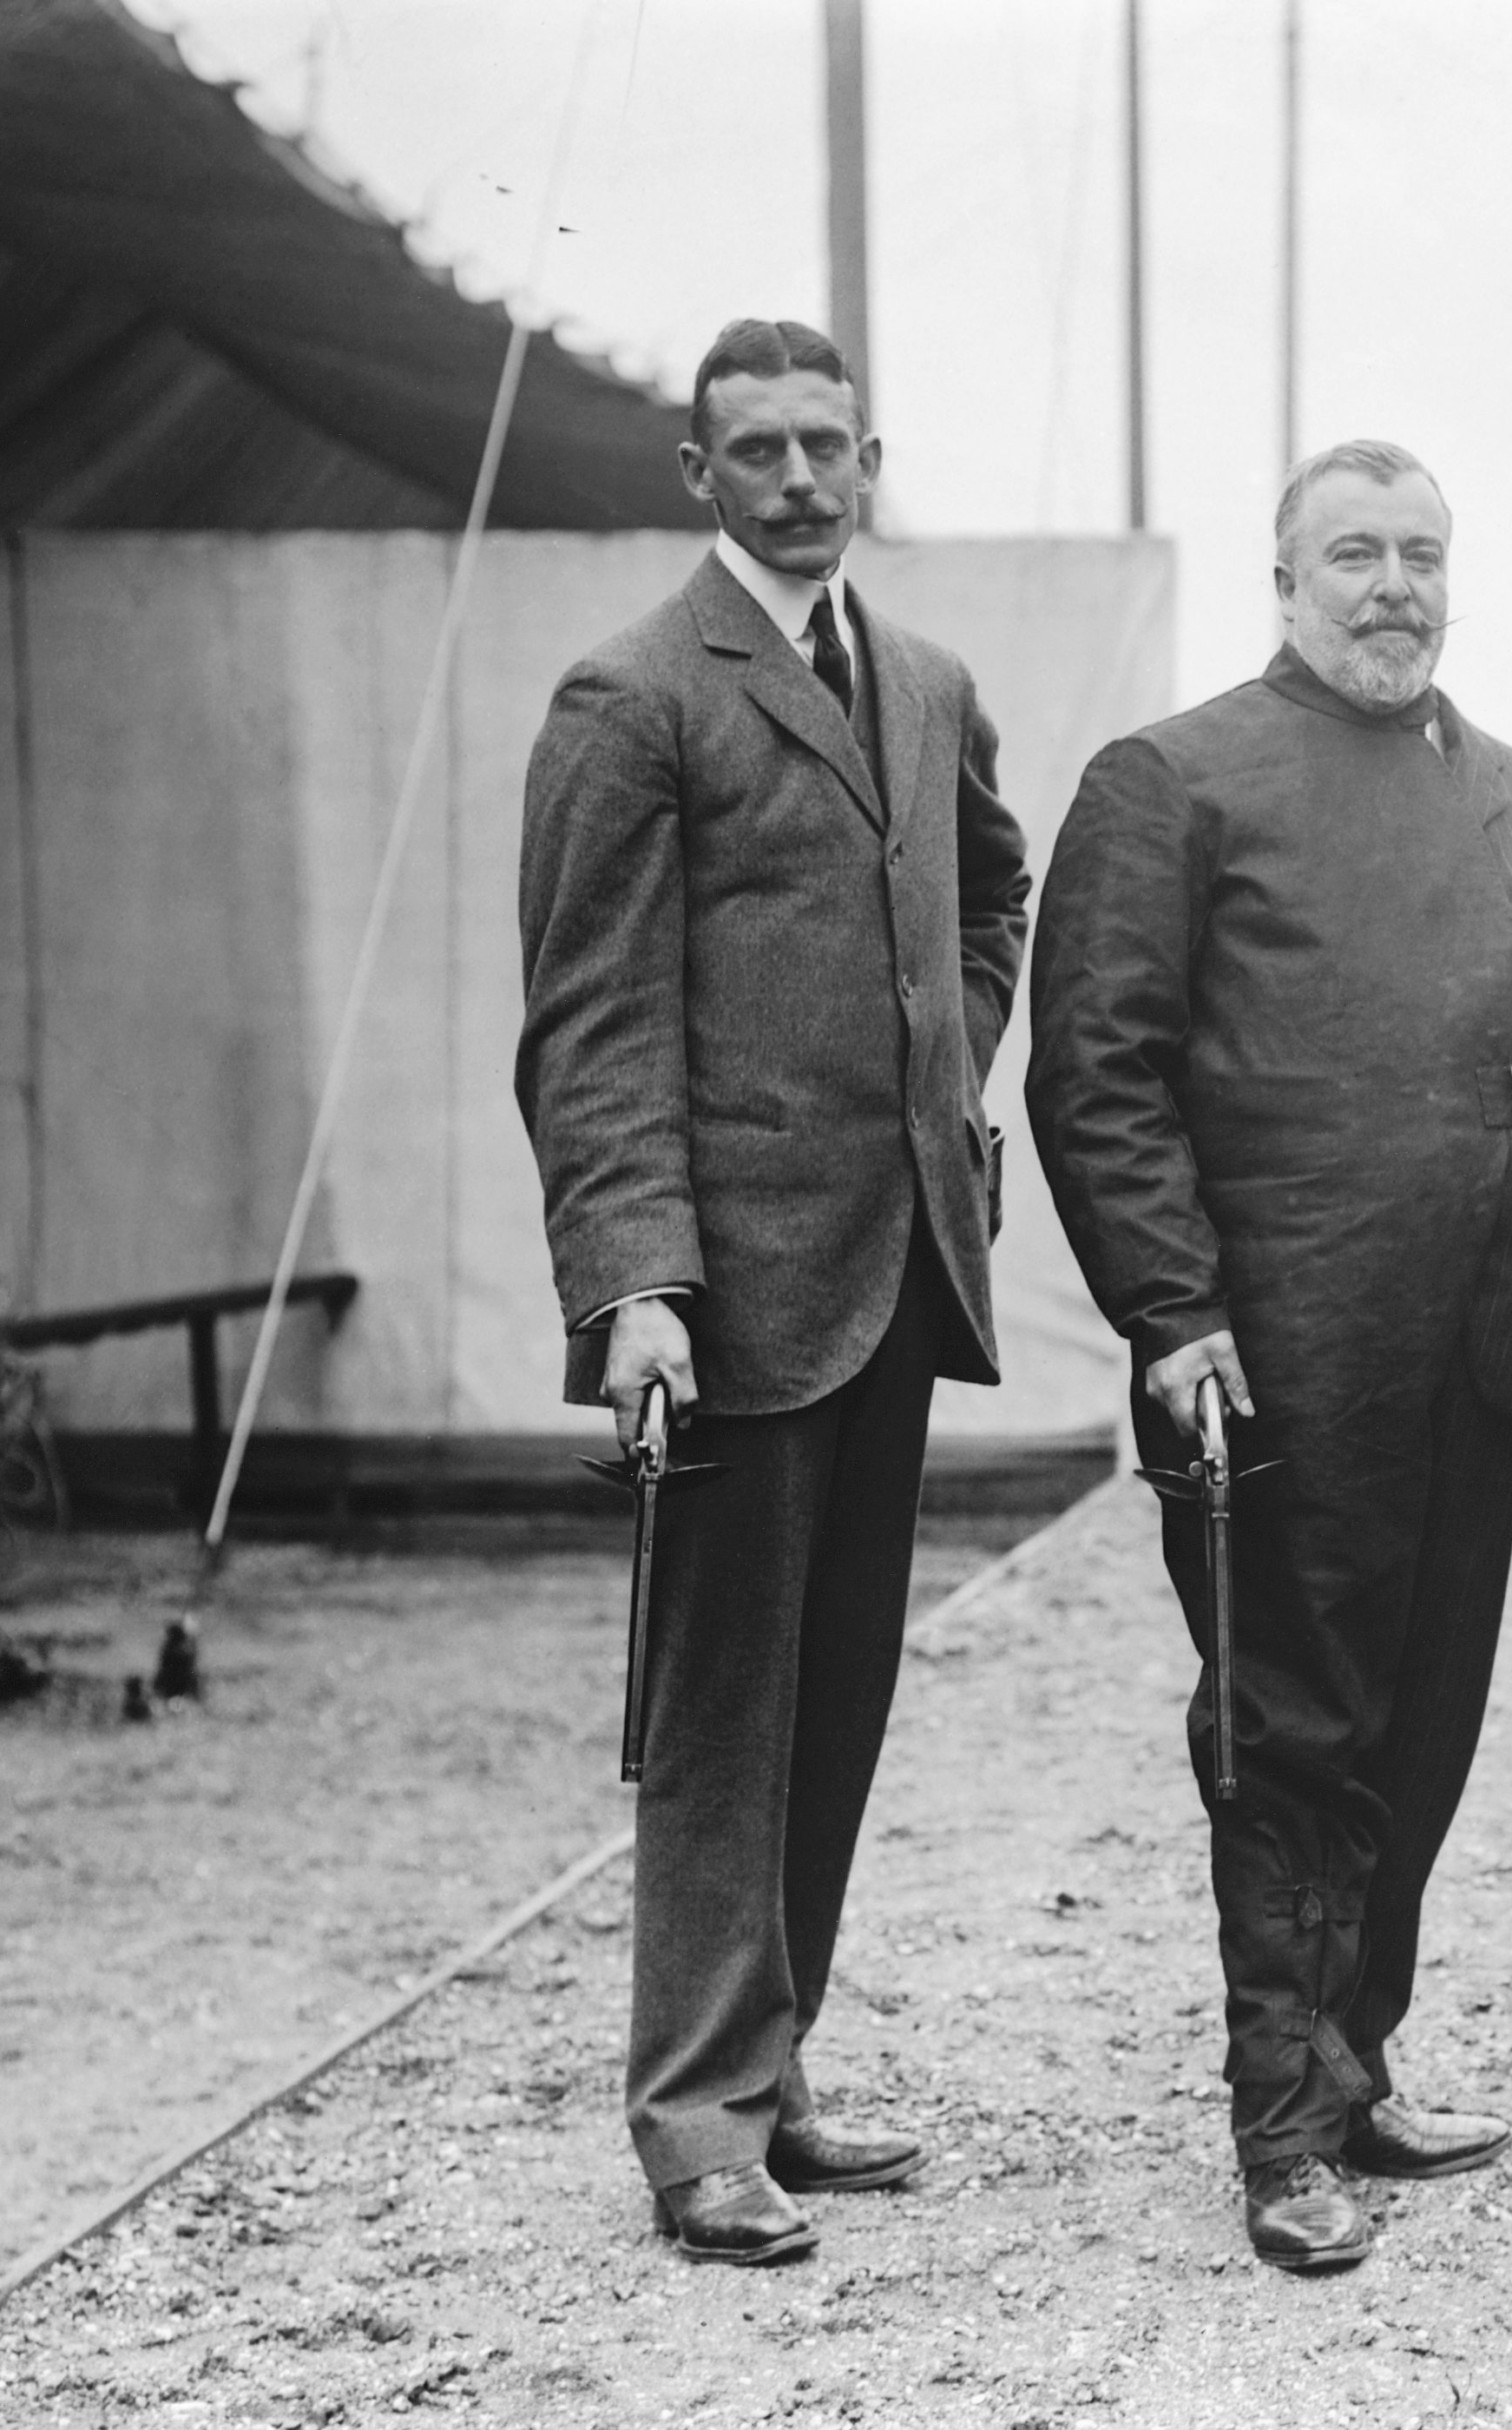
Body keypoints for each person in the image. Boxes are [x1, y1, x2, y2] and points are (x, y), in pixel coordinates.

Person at [1027, 440, 1512, 2272]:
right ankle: (1283, 2130)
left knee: (1424, 1730)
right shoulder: (1170, 781)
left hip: (1480, 1341)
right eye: (1352, 553)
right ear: (1284, 583)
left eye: (1421, 553)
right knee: (1291, 1731)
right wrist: (1173, 1312)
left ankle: (1356, 2062)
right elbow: (1095, 1076)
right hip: (1271, 1357)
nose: (1393, 586)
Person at [515, 318, 1029, 2265]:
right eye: (761, 449)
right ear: (699, 472)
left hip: (900, 1267)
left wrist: (941, 1072)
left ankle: (775, 2071)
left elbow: (991, 889)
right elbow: (587, 1023)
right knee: (722, 1719)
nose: (803, 478)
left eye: (830, 444)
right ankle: (696, 2123)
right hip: (730, 1294)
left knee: (838, 1702)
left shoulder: (928, 678)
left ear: (870, 458)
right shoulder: (632, 691)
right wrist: (636, 1281)